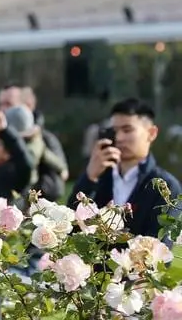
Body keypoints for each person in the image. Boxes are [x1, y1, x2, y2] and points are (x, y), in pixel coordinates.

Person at [67, 97, 182, 242]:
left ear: (151, 133)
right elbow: (70, 229)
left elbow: (159, 248)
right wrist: (89, 179)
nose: (119, 138)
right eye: (114, 131)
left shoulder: (166, 186)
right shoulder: (99, 177)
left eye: (127, 130)